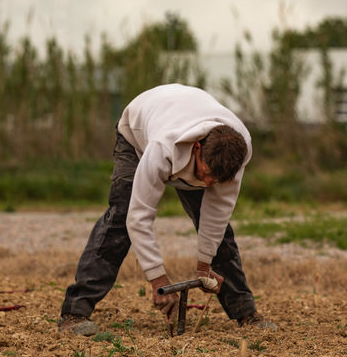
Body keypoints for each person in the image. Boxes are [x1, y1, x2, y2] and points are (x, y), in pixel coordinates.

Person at [58, 83, 274, 336]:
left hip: (182, 123)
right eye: (204, 175)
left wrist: (204, 267)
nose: (207, 185)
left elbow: (216, 215)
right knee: (120, 218)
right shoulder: (162, 147)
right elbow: (138, 218)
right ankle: (74, 313)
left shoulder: (237, 151)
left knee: (220, 234)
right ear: (197, 148)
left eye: (215, 181)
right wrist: (158, 280)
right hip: (138, 133)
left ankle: (245, 314)